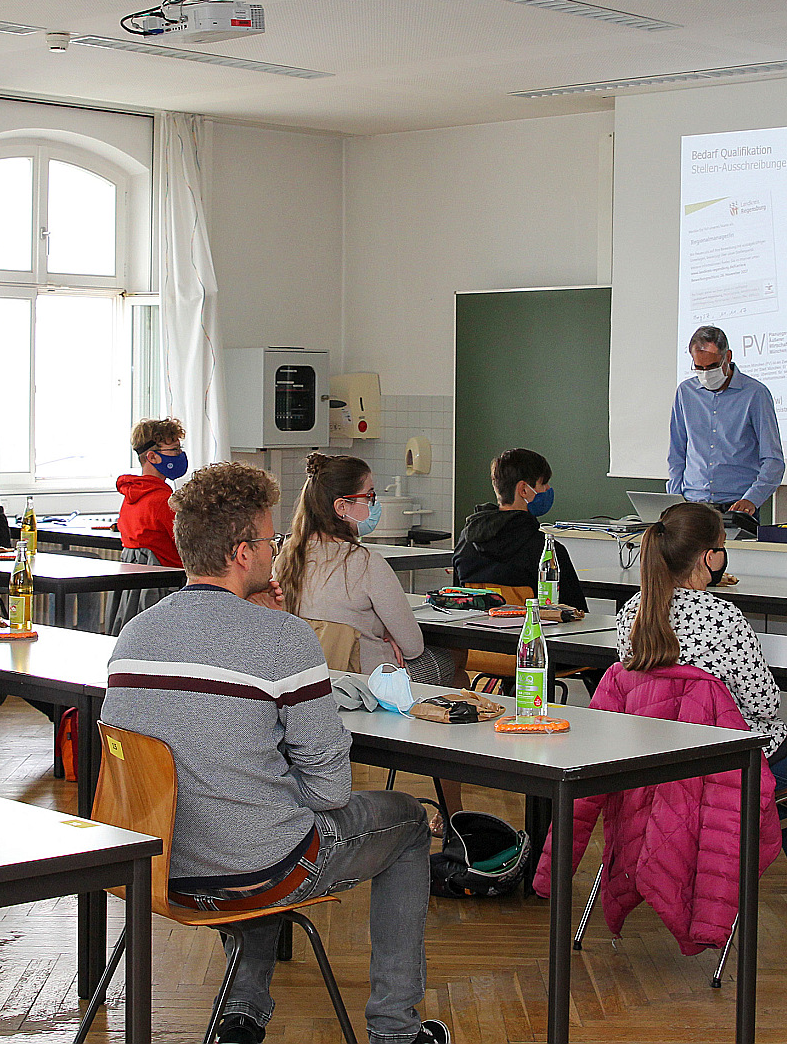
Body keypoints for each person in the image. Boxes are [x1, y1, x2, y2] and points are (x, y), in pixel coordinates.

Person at [103, 463, 447, 1044]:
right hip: (258, 870)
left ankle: (242, 1013)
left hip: (154, 863)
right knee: (410, 823)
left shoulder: (134, 634)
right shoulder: (282, 637)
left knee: (253, 810)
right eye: (269, 540)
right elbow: (332, 789)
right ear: (243, 553)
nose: (275, 549)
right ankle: (396, 1028)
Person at [617, 502, 787, 918]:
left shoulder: (632, 613)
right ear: (709, 557)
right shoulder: (723, 615)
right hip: (733, 758)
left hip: (665, 763)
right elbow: (763, 705)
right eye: (722, 545)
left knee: (781, 787)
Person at [277, 452, 463, 686]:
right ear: (341, 506)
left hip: (309, 683)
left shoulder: (286, 558)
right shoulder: (366, 563)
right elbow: (413, 647)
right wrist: (385, 633)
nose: (374, 504)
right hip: (368, 682)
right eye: (369, 496)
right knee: (455, 660)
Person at [667, 327, 784, 519]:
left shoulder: (755, 394)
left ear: (727, 357)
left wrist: (752, 499)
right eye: (699, 368)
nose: (706, 374)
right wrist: (674, 498)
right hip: (692, 504)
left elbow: (773, 460)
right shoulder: (685, 392)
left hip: (737, 506)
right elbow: (677, 453)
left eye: (712, 366)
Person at [452, 447, 588, 610]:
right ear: (524, 489)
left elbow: (457, 603)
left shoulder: (466, 543)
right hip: (533, 634)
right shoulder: (548, 554)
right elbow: (577, 613)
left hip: (479, 633)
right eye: (543, 483)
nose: (547, 489)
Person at [117, 417, 186, 569]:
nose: (180, 454)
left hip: (143, 588)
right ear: (153, 457)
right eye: (175, 450)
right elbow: (189, 547)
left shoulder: (130, 496)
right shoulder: (163, 501)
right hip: (171, 583)